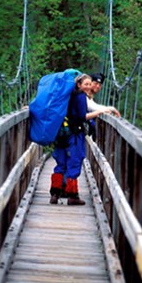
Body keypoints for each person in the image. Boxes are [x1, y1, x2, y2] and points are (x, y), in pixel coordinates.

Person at [50, 73, 112, 205]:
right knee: (74, 163)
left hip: (60, 134)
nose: (89, 87)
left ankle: (55, 194)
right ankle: (72, 196)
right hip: (74, 135)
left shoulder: (67, 95)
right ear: (79, 84)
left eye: (90, 84)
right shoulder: (80, 96)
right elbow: (82, 117)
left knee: (60, 164)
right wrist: (99, 113)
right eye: (86, 84)